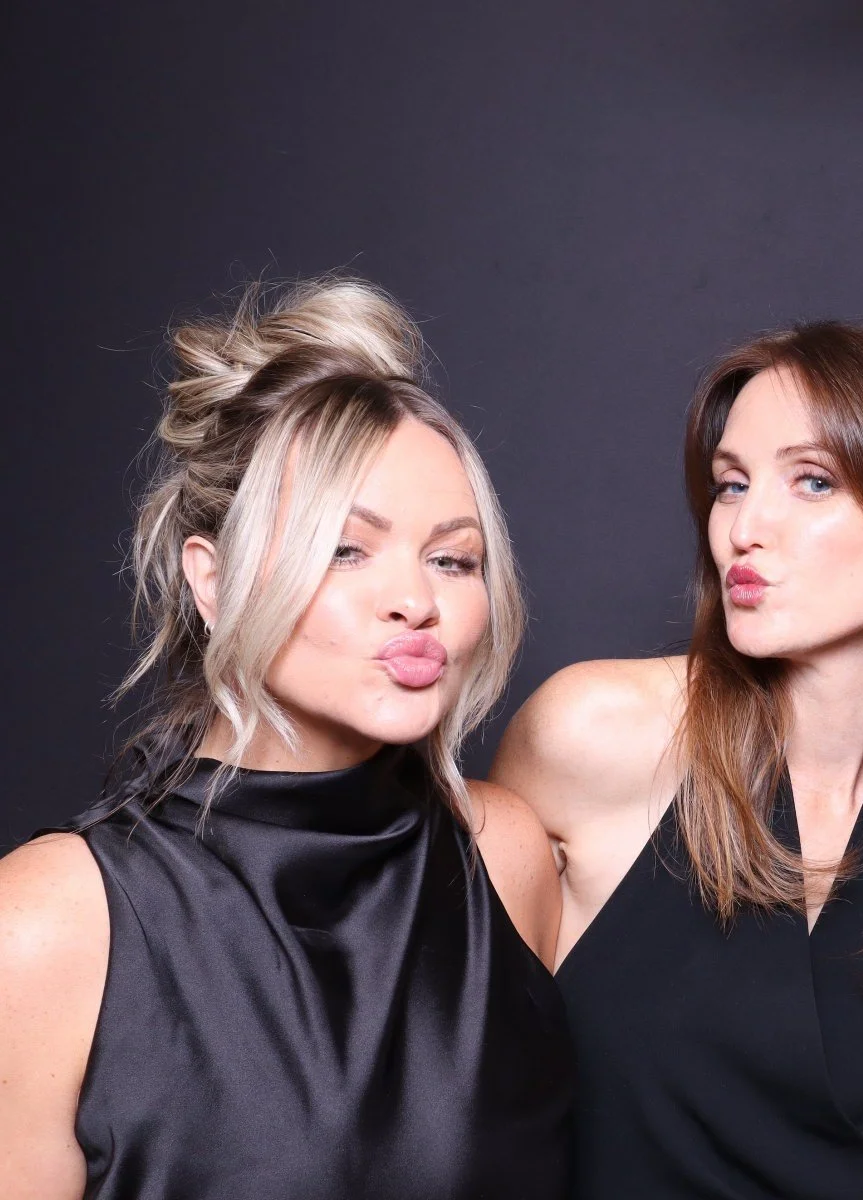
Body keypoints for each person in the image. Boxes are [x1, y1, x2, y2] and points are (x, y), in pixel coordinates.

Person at [0, 277, 572, 1200]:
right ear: (213, 581)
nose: (416, 601)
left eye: (452, 558)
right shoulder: (51, 921)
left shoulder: (502, 855)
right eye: (346, 548)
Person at [491, 320, 863, 1200]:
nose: (744, 528)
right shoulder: (598, 734)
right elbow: (451, 1088)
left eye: (813, 481)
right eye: (731, 484)